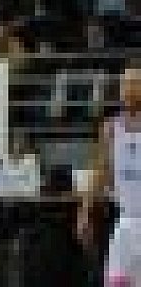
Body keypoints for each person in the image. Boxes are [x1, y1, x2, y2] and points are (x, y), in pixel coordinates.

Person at [78, 66, 141, 287]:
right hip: (126, 221)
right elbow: (100, 171)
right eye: (124, 84)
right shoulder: (110, 128)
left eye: (134, 83)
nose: (127, 89)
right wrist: (85, 211)